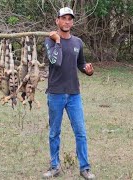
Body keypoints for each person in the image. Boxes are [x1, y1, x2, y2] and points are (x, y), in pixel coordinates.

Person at [43, 7, 95, 179]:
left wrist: (87, 70)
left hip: (74, 94)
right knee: (54, 133)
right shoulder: (50, 40)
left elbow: (81, 63)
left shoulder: (78, 42)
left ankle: (85, 168)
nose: (66, 21)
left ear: (72, 22)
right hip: (56, 93)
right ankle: (54, 166)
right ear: (57, 21)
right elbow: (55, 62)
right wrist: (57, 41)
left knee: (80, 132)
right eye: (63, 18)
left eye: (69, 19)